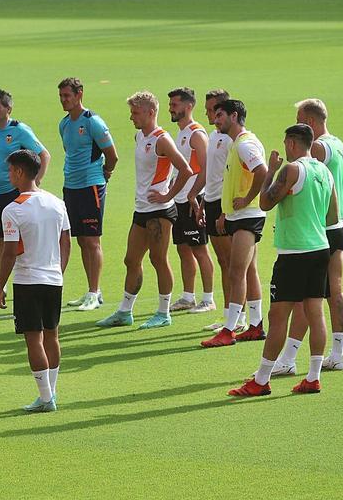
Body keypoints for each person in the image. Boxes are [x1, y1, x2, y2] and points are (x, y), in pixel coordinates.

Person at [229, 124, 338, 396]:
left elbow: (265, 203)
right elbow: (332, 217)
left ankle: (262, 380)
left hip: (293, 254)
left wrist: (271, 170)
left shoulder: (291, 170)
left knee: (278, 316)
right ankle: (312, 377)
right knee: (315, 312)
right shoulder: (324, 171)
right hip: (319, 248)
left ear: (291, 143)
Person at [96, 92, 193, 330]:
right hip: (141, 209)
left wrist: (168, 195)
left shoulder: (162, 140)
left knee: (158, 259)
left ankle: (163, 312)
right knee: (131, 260)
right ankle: (125, 311)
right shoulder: (140, 136)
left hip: (159, 211)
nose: (131, 117)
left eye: (135, 112)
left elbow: (186, 169)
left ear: (151, 113)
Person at [273, 99, 343, 374]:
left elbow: (309, 184)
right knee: (334, 291)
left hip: (321, 230)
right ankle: (337, 353)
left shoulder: (316, 148)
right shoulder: (340, 144)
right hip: (341, 224)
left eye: (299, 118)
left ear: (310, 122)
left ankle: (288, 359)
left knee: (308, 298)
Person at [0, 150, 71, 413]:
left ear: (18, 172)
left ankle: (46, 398)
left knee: (33, 338)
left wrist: (0, 285)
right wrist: (58, 271)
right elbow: (66, 242)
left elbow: (9, 252)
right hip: (53, 278)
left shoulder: (13, 210)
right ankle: (52, 391)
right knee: (52, 335)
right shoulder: (57, 203)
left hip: (27, 281)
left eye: (10, 170)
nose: (8, 175)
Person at [202, 99, 268, 348]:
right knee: (248, 270)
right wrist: (225, 213)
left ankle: (229, 330)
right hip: (241, 215)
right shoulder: (237, 143)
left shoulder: (244, 144)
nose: (215, 119)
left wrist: (248, 198)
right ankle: (256, 324)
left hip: (248, 216)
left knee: (236, 271)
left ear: (234, 115)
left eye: (219, 115)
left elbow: (261, 172)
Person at [0, 89, 51, 303]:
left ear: (8, 109)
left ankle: (25, 281)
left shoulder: (19, 130)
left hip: (13, 193)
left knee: (18, 241)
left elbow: (44, 155)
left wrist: (35, 182)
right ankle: (1, 285)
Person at [58, 77, 119, 311]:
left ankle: (94, 292)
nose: (64, 100)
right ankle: (93, 291)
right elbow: (70, 152)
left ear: (79, 94)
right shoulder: (64, 124)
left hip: (91, 186)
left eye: (67, 95)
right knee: (82, 240)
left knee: (92, 240)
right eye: (61, 96)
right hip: (71, 186)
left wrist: (105, 173)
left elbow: (112, 155)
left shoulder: (93, 122)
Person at [164, 88, 216, 314]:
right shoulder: (181, 133)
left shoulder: (196, 134)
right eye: (171, 104)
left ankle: (208, 298)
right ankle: (188, 296)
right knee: (183, 249)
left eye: (175, 104)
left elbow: (206, 169)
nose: (171, 108)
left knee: (200, 249)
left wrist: (195, 196)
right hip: (179, 199)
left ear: (188, 106)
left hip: (193, 199)